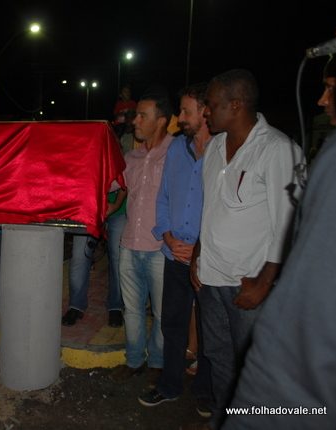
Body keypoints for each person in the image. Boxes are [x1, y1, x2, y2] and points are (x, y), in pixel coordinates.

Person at [223, 28, 336, 430]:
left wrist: (266, 281)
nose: (321, 99)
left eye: (331, 87)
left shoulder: (287, 151)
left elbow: (309, 317)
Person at [189, 69, 303, 429]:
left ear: (236, 105)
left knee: (254, 366)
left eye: (211, 105)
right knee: (220, 358)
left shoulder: (278, 150)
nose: (206, 112)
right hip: (211, 279)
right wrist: (197, 255)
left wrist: (265, 282)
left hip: (249, 284)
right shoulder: (214, 148)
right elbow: (210, 209)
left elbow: (289, 223)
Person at [137, 83, 213, 418]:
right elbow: (163, 198)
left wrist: (198, 248)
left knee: (210, 329)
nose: (179, 118)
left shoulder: (223, 149)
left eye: (186, 111)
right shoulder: (177, 150)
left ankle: (206, 392)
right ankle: (169, 386)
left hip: (207, 258)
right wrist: (167, 237)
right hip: (174, 253)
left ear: (205, 112)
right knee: (171, 324)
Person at [110, 89, 174, 381]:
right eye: (135, 115)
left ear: (160, 121)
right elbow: (112, 185)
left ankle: (158, 363)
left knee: (161, 313)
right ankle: (134, 360)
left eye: (141, 116)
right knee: (132, 310)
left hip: (161, 248)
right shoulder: (131, 156)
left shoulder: (176, 154)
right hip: (129, 245)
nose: (134, 121)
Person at [61, 188, 127, 328]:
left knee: (117, 258)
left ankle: (116, 306)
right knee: (79, 256)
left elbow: (127, 180)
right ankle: (76, 305)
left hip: (119, 208)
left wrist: (116, 205)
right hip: (89, 207)